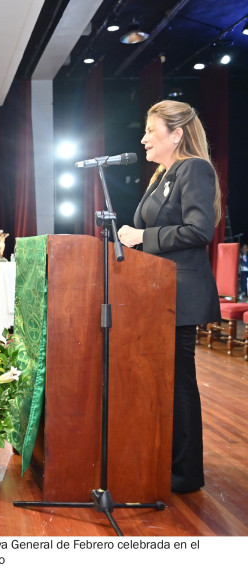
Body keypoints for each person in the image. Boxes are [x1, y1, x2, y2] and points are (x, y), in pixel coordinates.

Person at [117, 100, 221, 494]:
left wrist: (143, 236)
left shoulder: (194, 168)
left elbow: (198, 230)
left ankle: (185, 474)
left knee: (179, 382)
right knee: (164, 380)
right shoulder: (163, 175)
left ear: (176, 135)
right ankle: (166, 460)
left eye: (150, 131)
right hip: (157, 294)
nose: (143, 138)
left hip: (180, 294)